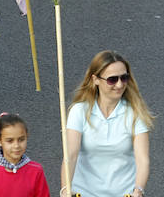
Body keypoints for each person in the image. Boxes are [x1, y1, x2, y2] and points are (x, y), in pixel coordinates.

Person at [65, 51, 153, 197]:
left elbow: (142, 159)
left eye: (124, 78)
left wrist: (138, 190)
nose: (119, 84)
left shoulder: (136, 112)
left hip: (125, 194)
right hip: (84, 192)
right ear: (95, 79)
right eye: (112, 80)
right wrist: (65, 189)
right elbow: (71, 155)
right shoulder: (79, 111)